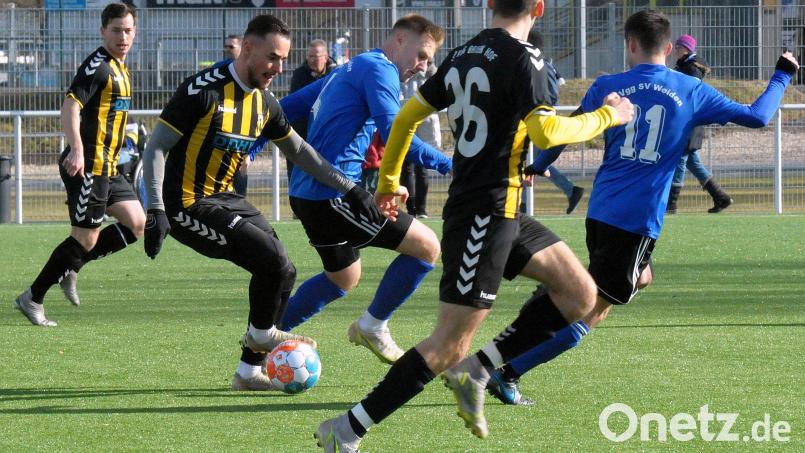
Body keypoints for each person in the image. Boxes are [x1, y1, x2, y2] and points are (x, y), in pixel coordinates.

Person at [313, 1, 634, 449]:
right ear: (539, 8)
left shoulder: (463, 54)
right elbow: (546, 133)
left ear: (489, 4)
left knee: (580, 293)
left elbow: (406, 117)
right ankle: (346, 429)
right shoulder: (527, 58)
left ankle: (478, 371)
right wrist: (608, 117)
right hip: (482, 215)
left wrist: (388, 182)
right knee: (447, 345)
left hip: (506, 209)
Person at [485, 10, 798, 408]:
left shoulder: (607, 85)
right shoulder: (691, 89)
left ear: (630, 44)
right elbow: (758, 116)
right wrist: (782, 74)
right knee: (594, 310)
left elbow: (566, 135)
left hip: (601, 211)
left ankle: (554, 301)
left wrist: (537, 166)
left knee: (640, 277)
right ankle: (509, 371)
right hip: (635, 221)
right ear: (668, 48)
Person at [140, 14, 383, 391]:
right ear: (248, 49)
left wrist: (351, 188)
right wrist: (156, 209)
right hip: (185, 205)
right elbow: (156, 147)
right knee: (272, 260)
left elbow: (300, 151)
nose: (279, 68)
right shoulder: (203, 91)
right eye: (272, 57)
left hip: (226, 199)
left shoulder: (265, 103)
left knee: (283, 271)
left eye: (283, 59)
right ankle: (262, 336)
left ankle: (248, 372)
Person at [269, 15, 452, 367]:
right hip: (333, 196)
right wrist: (449, 164)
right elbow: (395, 132)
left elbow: (287, 108)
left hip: (308, 194)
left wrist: (247, 140)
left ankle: (262, 340)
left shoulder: (354, 66)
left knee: (343, 276)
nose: (423, 66)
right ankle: (373, 326)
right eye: (422, 55)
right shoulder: (380, 70)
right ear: (400, 40)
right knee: (427, 246)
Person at [14, 3, 143, 326]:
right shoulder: (98, 67)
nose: (123, 36)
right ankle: (33, 297)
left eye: (128, 30)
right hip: (89, 167)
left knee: (137, 224)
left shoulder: (121, 68)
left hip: (110, 167)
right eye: (116, 30)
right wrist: (77, 149)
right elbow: (71, 106)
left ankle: (73, 265)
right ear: (103, 31)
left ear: (135, 32)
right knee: (85, 238)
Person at [666, 34, 733, 214]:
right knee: (692, 162)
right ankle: (721, 197)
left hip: (689, 120)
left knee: (681, 159)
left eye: (679, 47)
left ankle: (671, 203)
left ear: (687, 49)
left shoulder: (691, 69)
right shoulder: (685, 66)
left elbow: (688, 94)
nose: (676, 50)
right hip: (688, 120)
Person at [527, 29, 585, 215]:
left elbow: (551, 94)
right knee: (534, 160)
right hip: (541, 118)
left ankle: (569, 190)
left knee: (533, 161)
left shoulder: (539, 65)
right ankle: (570, 190)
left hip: (541, 119)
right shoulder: (545, 64)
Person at [286, 39, 337, 187]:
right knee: (297, 175)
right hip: (303, 131)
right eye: (310, 56)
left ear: (326, 57)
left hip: (328, 131)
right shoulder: (299, 75)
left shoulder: (336, 74)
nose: (312, 60)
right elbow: (298, 103)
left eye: (316, 56)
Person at [399, 62, 440, 219]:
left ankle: (418, 209)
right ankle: (415, 208)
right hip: (412, 118)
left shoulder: (429, 71)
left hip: (418, 120)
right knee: (410, 167)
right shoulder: (406, 69)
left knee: (416, 167)